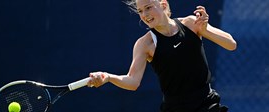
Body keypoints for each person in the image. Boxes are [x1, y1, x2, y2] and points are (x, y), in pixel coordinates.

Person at [87, 0, 236, 112]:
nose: (144, 15)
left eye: (148, 8)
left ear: (163, 5)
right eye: (140, 11)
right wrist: (108, 77)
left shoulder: (191, 23)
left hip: (207, 104)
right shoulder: (145, 44)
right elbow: (132, 81)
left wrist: (205, 30)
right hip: (175, 108)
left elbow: (231, 44)